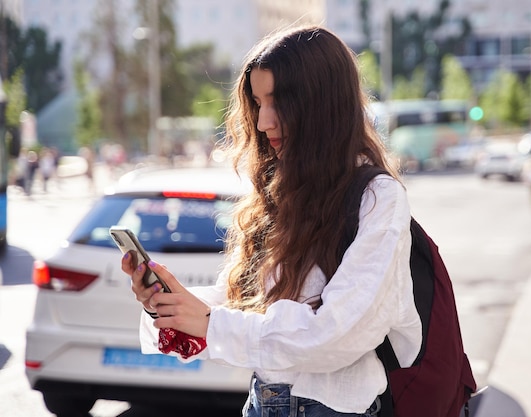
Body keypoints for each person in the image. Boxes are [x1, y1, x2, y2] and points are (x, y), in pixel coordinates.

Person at [122, 25, 421, 417]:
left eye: (277, 102)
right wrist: (175, 305)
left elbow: (336, 335)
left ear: (321, 104)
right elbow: (249, 307)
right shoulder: (280, 189)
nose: (263, 122)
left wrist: (211, 322)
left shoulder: (376, 197)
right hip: (263, 402)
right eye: (258, 104)